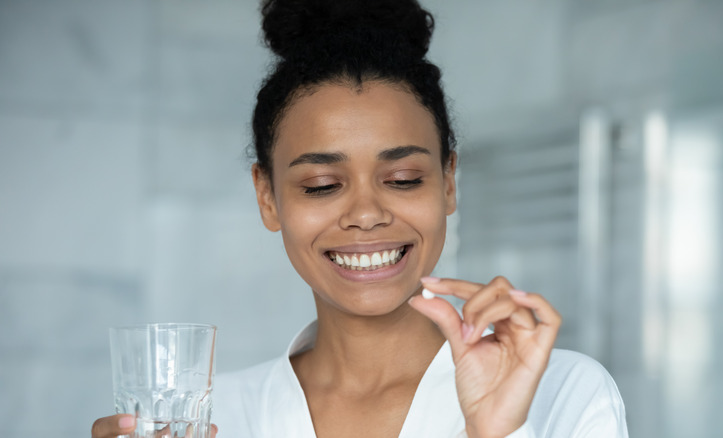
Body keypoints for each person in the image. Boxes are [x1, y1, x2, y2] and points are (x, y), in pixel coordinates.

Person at [91, 0, 628, 437]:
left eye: (403, 179)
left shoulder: (562, 391)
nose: (367, 214)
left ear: (449, 181)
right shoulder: (209, 420)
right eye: (322, 185)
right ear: (268, 197)